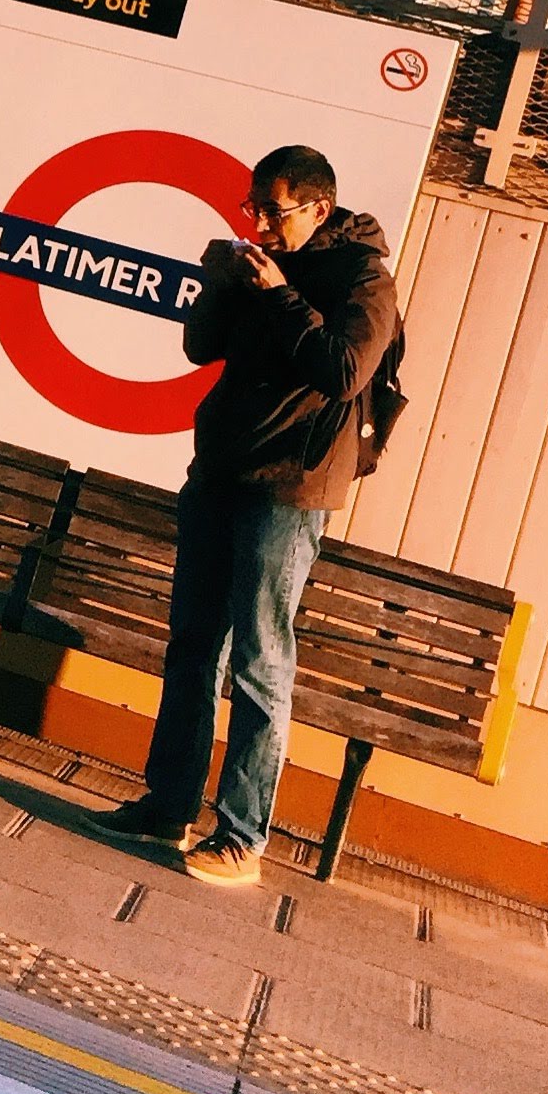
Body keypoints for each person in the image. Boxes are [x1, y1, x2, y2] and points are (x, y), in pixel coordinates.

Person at [99, 143, 397, 886]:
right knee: (193, 646)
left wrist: (277, 295)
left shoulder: (363, 278)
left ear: (319, 209)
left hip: (290, 490)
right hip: (221, 474)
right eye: (252, 207)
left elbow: (344, 369)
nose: (259, 221)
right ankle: (169, 806)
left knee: (262, 663)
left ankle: (240, 837)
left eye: (274, 210)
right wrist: (222, 285)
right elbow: (200, 346)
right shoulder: (261, 265)